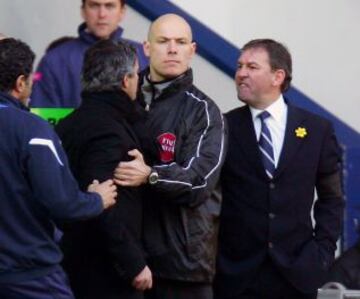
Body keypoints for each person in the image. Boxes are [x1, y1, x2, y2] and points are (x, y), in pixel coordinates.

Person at [213, 38, 344, 299]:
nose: (240, 74)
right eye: (239, 66)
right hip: (236, 276)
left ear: (278, 76)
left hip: (296, 275)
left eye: (252, 66)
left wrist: (323, 251)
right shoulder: (223, 126)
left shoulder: (317, 130)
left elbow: (332, 197)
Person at [113, 13, 226, 299]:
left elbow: (199, 182)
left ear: (193, 50)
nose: (172, 48)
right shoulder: (119, 98)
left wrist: (150, 175)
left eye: (181, 42)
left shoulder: (205, 112)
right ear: (147, 48)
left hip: (180, 266)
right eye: (163, 41)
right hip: (122, 259)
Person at [0, 38, 117, 299]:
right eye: (31, 80)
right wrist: (97, 199)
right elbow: (62, 202)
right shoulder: (32, 129)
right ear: (20, 83)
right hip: (30, 276)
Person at [55, 39, 152, 299]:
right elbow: (103, 202)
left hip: (72, 260)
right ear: (125, 81)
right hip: (106, 272)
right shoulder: (108, 130)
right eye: (135, 73)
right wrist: (133, 263)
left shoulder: (68, 124)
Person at [31, 0, 148, 108]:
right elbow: (42, 120)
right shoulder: (53, 61)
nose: (102, 14)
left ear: (122, 12)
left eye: (109, 6)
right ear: (83, 11)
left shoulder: (143, 56)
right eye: (94, 5)